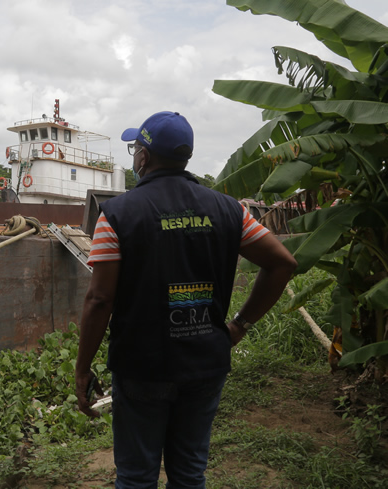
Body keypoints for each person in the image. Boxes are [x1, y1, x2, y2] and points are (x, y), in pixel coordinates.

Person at [74, 111, 298, 489]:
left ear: (143, 157)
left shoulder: (117, 214)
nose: (134, 156)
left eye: (135, 149)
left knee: (135, 476)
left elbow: (99, 299)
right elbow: (283, 263)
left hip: (141, 366)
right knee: (190, 473)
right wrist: (240, 325)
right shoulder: (230, 210)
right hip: (205, 363)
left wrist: (82, 368)